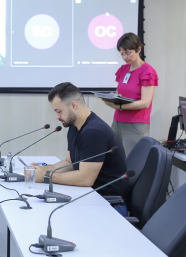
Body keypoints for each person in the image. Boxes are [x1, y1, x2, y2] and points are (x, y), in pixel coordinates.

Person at [32, 82, 129, 214]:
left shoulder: (94, 132)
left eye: (59, 111)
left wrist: (46, 176)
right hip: (90, 197)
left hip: (109, 205)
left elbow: (85, 179)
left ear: (73, 105)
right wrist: (42, 169)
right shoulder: (74, 127)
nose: (57, 117)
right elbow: (70, 162)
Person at [101, 33, 158, 155]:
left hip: (135, 124)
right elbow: (118, 94)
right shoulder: (124, 69)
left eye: (128, 53)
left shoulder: (147, 71)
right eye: (122, 53)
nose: (125, 57)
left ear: (139, 49)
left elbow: (145, 103)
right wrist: (112, 99)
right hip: (117, 122)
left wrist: (120, 106)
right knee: (115, 159)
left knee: (133, 162)